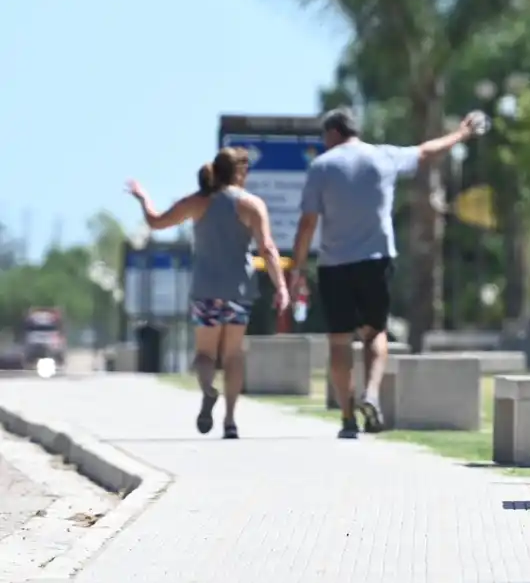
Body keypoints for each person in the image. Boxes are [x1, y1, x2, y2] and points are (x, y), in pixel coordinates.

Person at [291, 108, 483, 439]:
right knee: (375, 333)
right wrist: (461, 134)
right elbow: (425, 152)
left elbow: (307, 223)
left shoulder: (321, 167)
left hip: (334, 266)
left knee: (339, 342)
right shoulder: (383, 157)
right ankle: (372, 394)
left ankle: (348, 418)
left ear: (333, 133)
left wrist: (297, 269)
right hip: (375, 261)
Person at [126, 148, 290, 439]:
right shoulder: (252, 205)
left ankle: (207, 389)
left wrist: (143, 198)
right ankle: (229, 421)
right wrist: (281, 287)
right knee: (233, 355)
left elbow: (155, 222)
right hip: (239, 289)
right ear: (240, 173)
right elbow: (268, 249)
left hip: (206, 290)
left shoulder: (197, 203)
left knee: (204, 354)